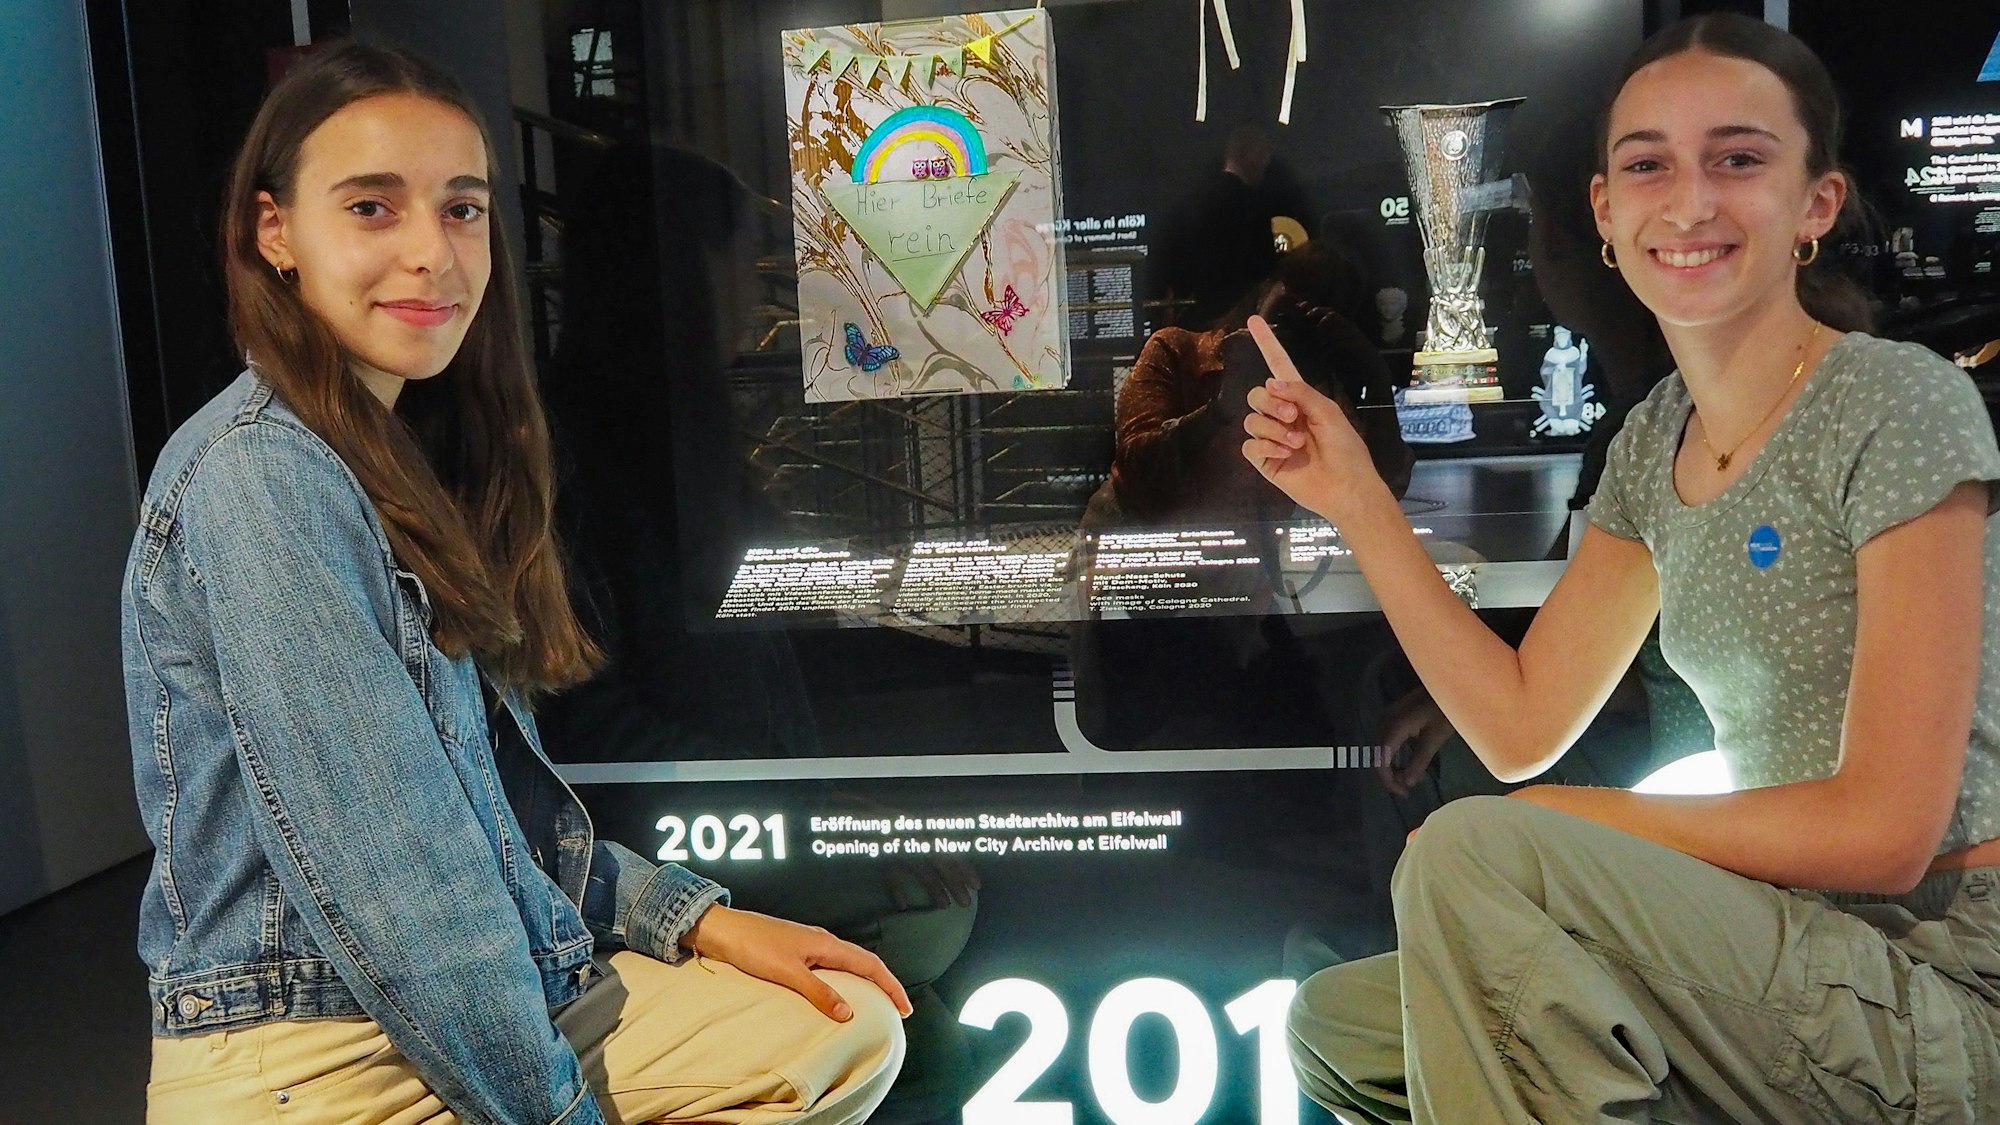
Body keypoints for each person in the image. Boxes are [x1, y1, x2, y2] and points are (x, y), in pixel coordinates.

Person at [124, 40, 908, 1125]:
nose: (430, 254)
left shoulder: (394, 454)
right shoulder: (262, 472)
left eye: (461, 209)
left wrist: (696, 918)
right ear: (276, 233)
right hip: (317, 1050)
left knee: (837, 1027)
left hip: (454, 994)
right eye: (370, 208)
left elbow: (494, 815)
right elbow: (405, 895)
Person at [1243, 14, 2000, 1123]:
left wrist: (1564, 827)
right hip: (1783, 947)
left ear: (1816, 203)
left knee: (1475, 857)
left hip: (1940, 971)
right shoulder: (1658, 437)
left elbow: (1884, 833)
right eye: (1648, 165)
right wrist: (1356, 497)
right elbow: (1519, 724)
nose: (1688, 203)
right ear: (1604, 211)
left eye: (1737, 159)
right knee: (1340, 1022)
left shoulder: (1895, 400)